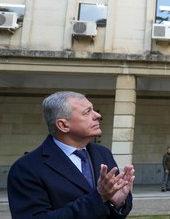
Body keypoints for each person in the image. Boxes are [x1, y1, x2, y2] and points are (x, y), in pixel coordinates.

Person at [7, 91, 135, 219]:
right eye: (87, 112)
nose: (98, 115)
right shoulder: (26, 168)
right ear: (63, 125)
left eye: (93, 110)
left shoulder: (103, 153)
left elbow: (114, 209)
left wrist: (117, 202)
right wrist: (99, 197)